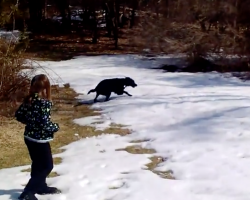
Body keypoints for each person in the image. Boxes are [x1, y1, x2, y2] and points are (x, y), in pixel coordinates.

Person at [15, 74, 61, 200]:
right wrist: (55, 127)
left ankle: (40, 186)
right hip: (40, 140)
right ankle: (28, 191)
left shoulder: (29, 99)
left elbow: (18, 115)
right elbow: (45, 124)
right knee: (47, 165)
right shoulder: (44, 103)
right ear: (47, 88)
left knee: (37, 164)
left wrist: (30, 123)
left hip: (29, 137)